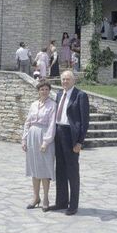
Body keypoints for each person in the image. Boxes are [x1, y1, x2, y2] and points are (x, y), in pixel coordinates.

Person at [48, 70, 89, 215]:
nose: (65, 82)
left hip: (71, 136)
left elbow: (84, 121)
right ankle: (61, 201)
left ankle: (73, 204)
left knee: (72, 171)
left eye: (68, 79)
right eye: (63, 79)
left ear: (73, 81)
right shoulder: (59, 94)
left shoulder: (80, 95)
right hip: (59, 133)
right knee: (60, 169)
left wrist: (80, 142)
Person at [22, 80, 56, 212]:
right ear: (38, 91)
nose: (44, 91)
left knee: (44, 169)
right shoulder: (33, 105)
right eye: (42, 89)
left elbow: (52, 125)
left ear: (49, 91)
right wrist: (24, 139)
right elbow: (27, 122)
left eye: (47, 89)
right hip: (32, 136)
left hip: (44, 137)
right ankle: (35, 197)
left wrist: (46, 142)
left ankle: (46, 198)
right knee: (34, 168)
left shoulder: (52, 105)